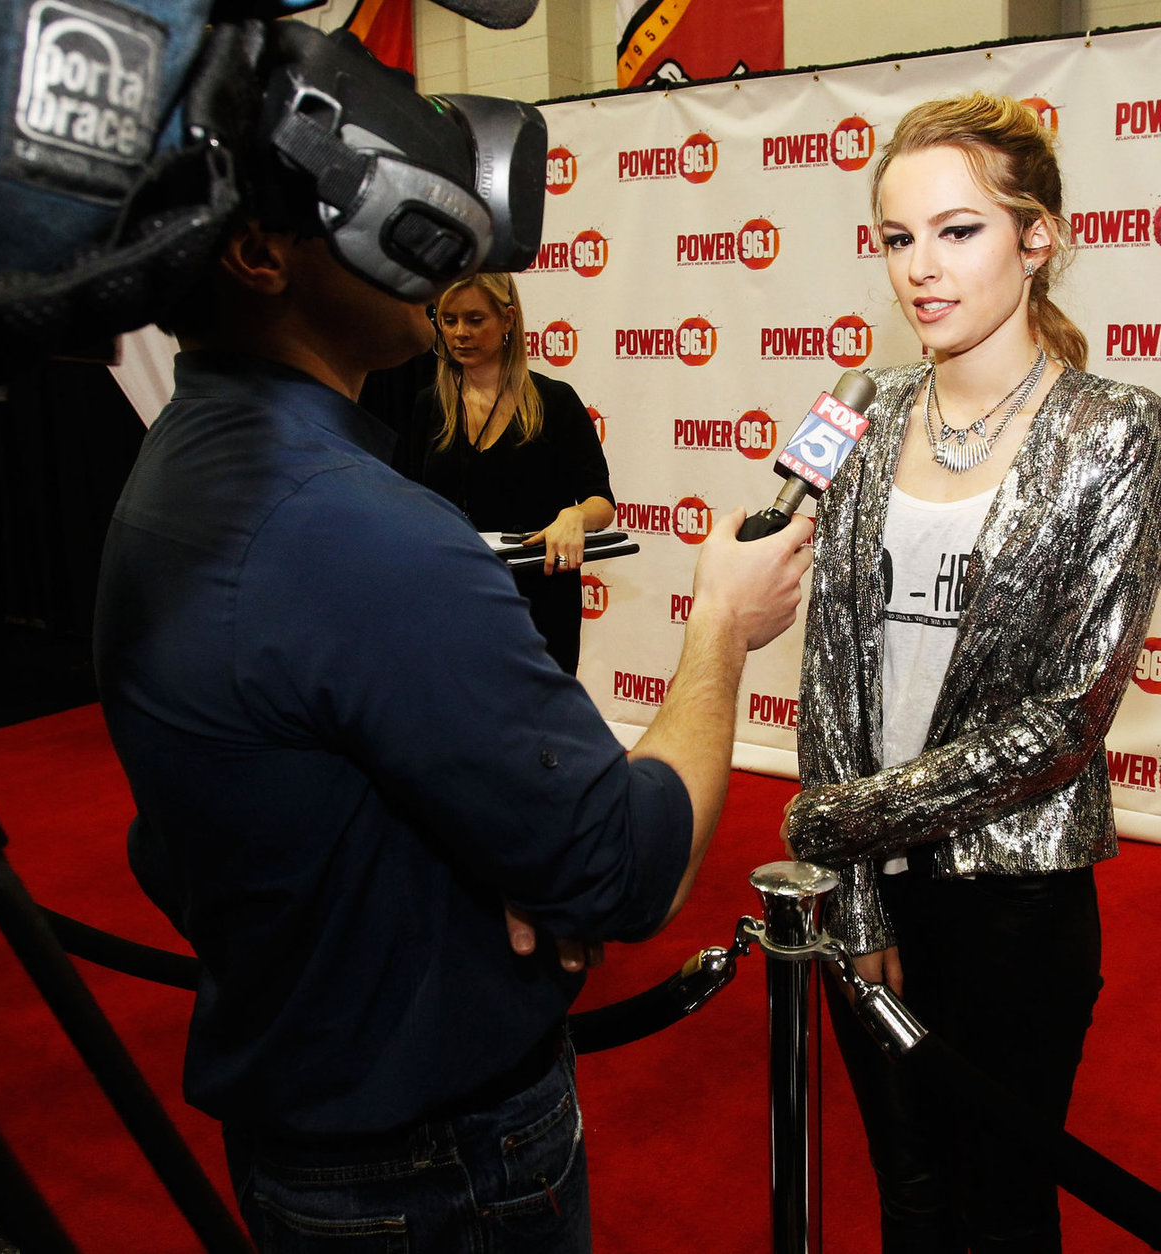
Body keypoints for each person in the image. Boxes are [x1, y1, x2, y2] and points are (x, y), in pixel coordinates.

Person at [92, 33, 815, 1253]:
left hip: (310, 1131)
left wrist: (478, 873)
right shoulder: (354, 531)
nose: (443, 247)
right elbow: (630, 871)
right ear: (260, 253)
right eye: (368, 190)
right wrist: (720, 630)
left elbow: (190, 845)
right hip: (434, 1172)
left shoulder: (181, 467)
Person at [779, 92, 1161, 1252]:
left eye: (958, 232)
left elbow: (1071, 714)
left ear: (1036, 236)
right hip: (867, 883)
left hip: (1014, 895)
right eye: (898, 239)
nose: (920, 269)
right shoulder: (859, 412)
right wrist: (851, 884)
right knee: (906, 1188)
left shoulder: (1114, 426)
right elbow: (829, 667)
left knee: (1000, 1201)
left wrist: (836, 821)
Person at [402, 273, 614, 673]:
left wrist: (574, 516)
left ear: (508, 320)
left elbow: (601, 502)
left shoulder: (555, 401)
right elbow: (407, 501)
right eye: (448, 320)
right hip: (451, 594)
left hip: (539, 601)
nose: (460, 333)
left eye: (475, 319)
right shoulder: (427, 406)